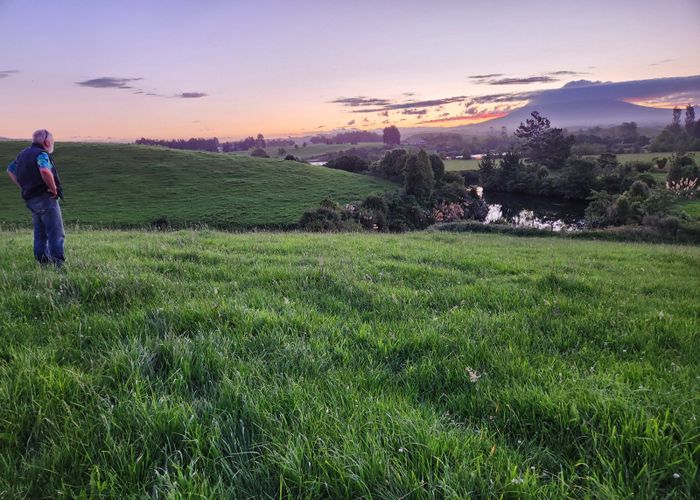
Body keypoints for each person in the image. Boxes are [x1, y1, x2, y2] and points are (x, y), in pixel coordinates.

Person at [6, 129, 66, 266]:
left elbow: (10, 169)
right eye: (52, 141)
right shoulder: (41, 154)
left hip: (31, 199)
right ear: (46, 141)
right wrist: (53, 188)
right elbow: (44, 170)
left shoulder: (23, 154)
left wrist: (23, 185)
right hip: (45, 198)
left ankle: (43, 263)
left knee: (40, 234)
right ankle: (59, 265)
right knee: (56, 233)